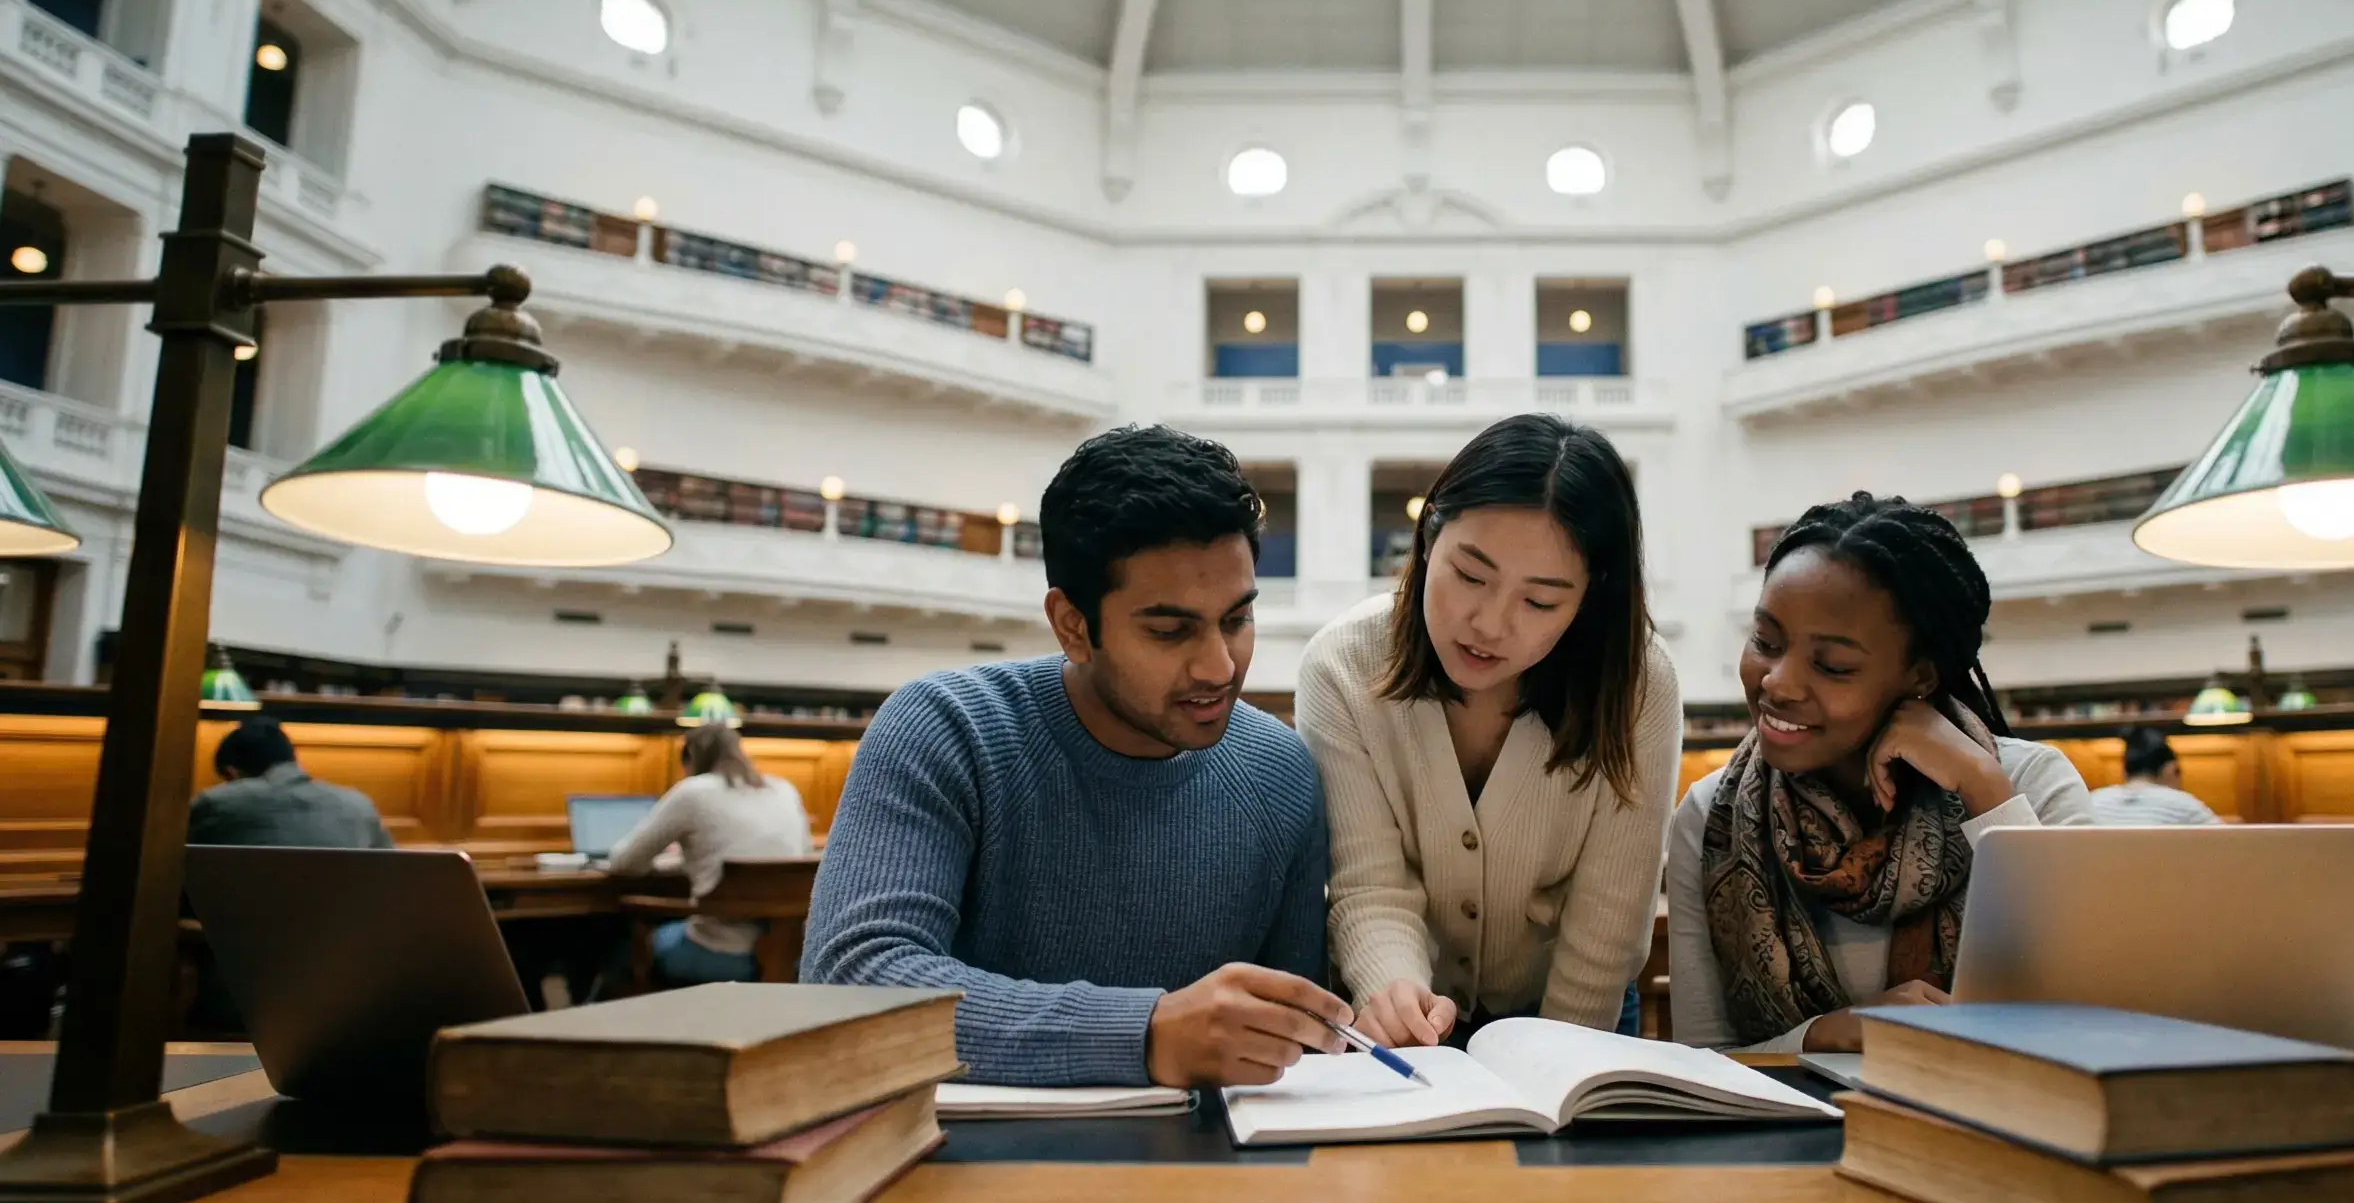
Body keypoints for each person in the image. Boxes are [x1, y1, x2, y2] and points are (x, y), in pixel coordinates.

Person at [802, 426, 1350, 1087]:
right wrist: (1143, 1036)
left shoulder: (1282, 772)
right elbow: (852, 982)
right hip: (963, 1172)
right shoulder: (947, 729)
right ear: (1072, 625)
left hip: (1208, 1173)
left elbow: (1295, 1043)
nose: (1219, 665)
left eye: (1236, 620)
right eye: (1171, 630)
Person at [1299, 415, 1680, 1048]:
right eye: (1470, 576)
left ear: (1590, 598)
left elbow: (1608, 924)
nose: (1489, 624)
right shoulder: (1342, 666)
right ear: (1428, 540)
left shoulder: (1639, 686)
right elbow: (1372, 885)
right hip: (1403, 1020)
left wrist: (1557, 1064)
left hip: (1576, 1009)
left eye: (1540, 602)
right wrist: (1395, 1000)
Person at [1664, 493, 2095, 1052]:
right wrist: (1828, 1033)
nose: (1777, 683)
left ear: (1920, 674)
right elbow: (1702, 1059)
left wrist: (1985, 792)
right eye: (1766, 642)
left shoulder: (2033, 786)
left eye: (1833, 666)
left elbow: (2085, 1020)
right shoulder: (1708, 816)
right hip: (1787, 1136)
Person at [606, 725, 813, 986]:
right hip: (790, 953)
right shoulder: (784, 789)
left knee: (617, 941)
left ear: (690, 758)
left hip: (717, 952)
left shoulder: (693, 791)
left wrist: (678, 864)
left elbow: (624, 864)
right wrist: (693, 863)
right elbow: (802, 857)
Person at [187, 719, 392, 849]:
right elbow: (390, 873)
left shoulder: (216, 802)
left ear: (231, 772)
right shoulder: (360, 805)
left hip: (242, 916)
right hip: (344, 916)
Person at [2087, 725, 2222, 827]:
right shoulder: (2184, 804)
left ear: (2124, 770)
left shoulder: (2091, 802)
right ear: (2170, 768)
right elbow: (2229, 845)